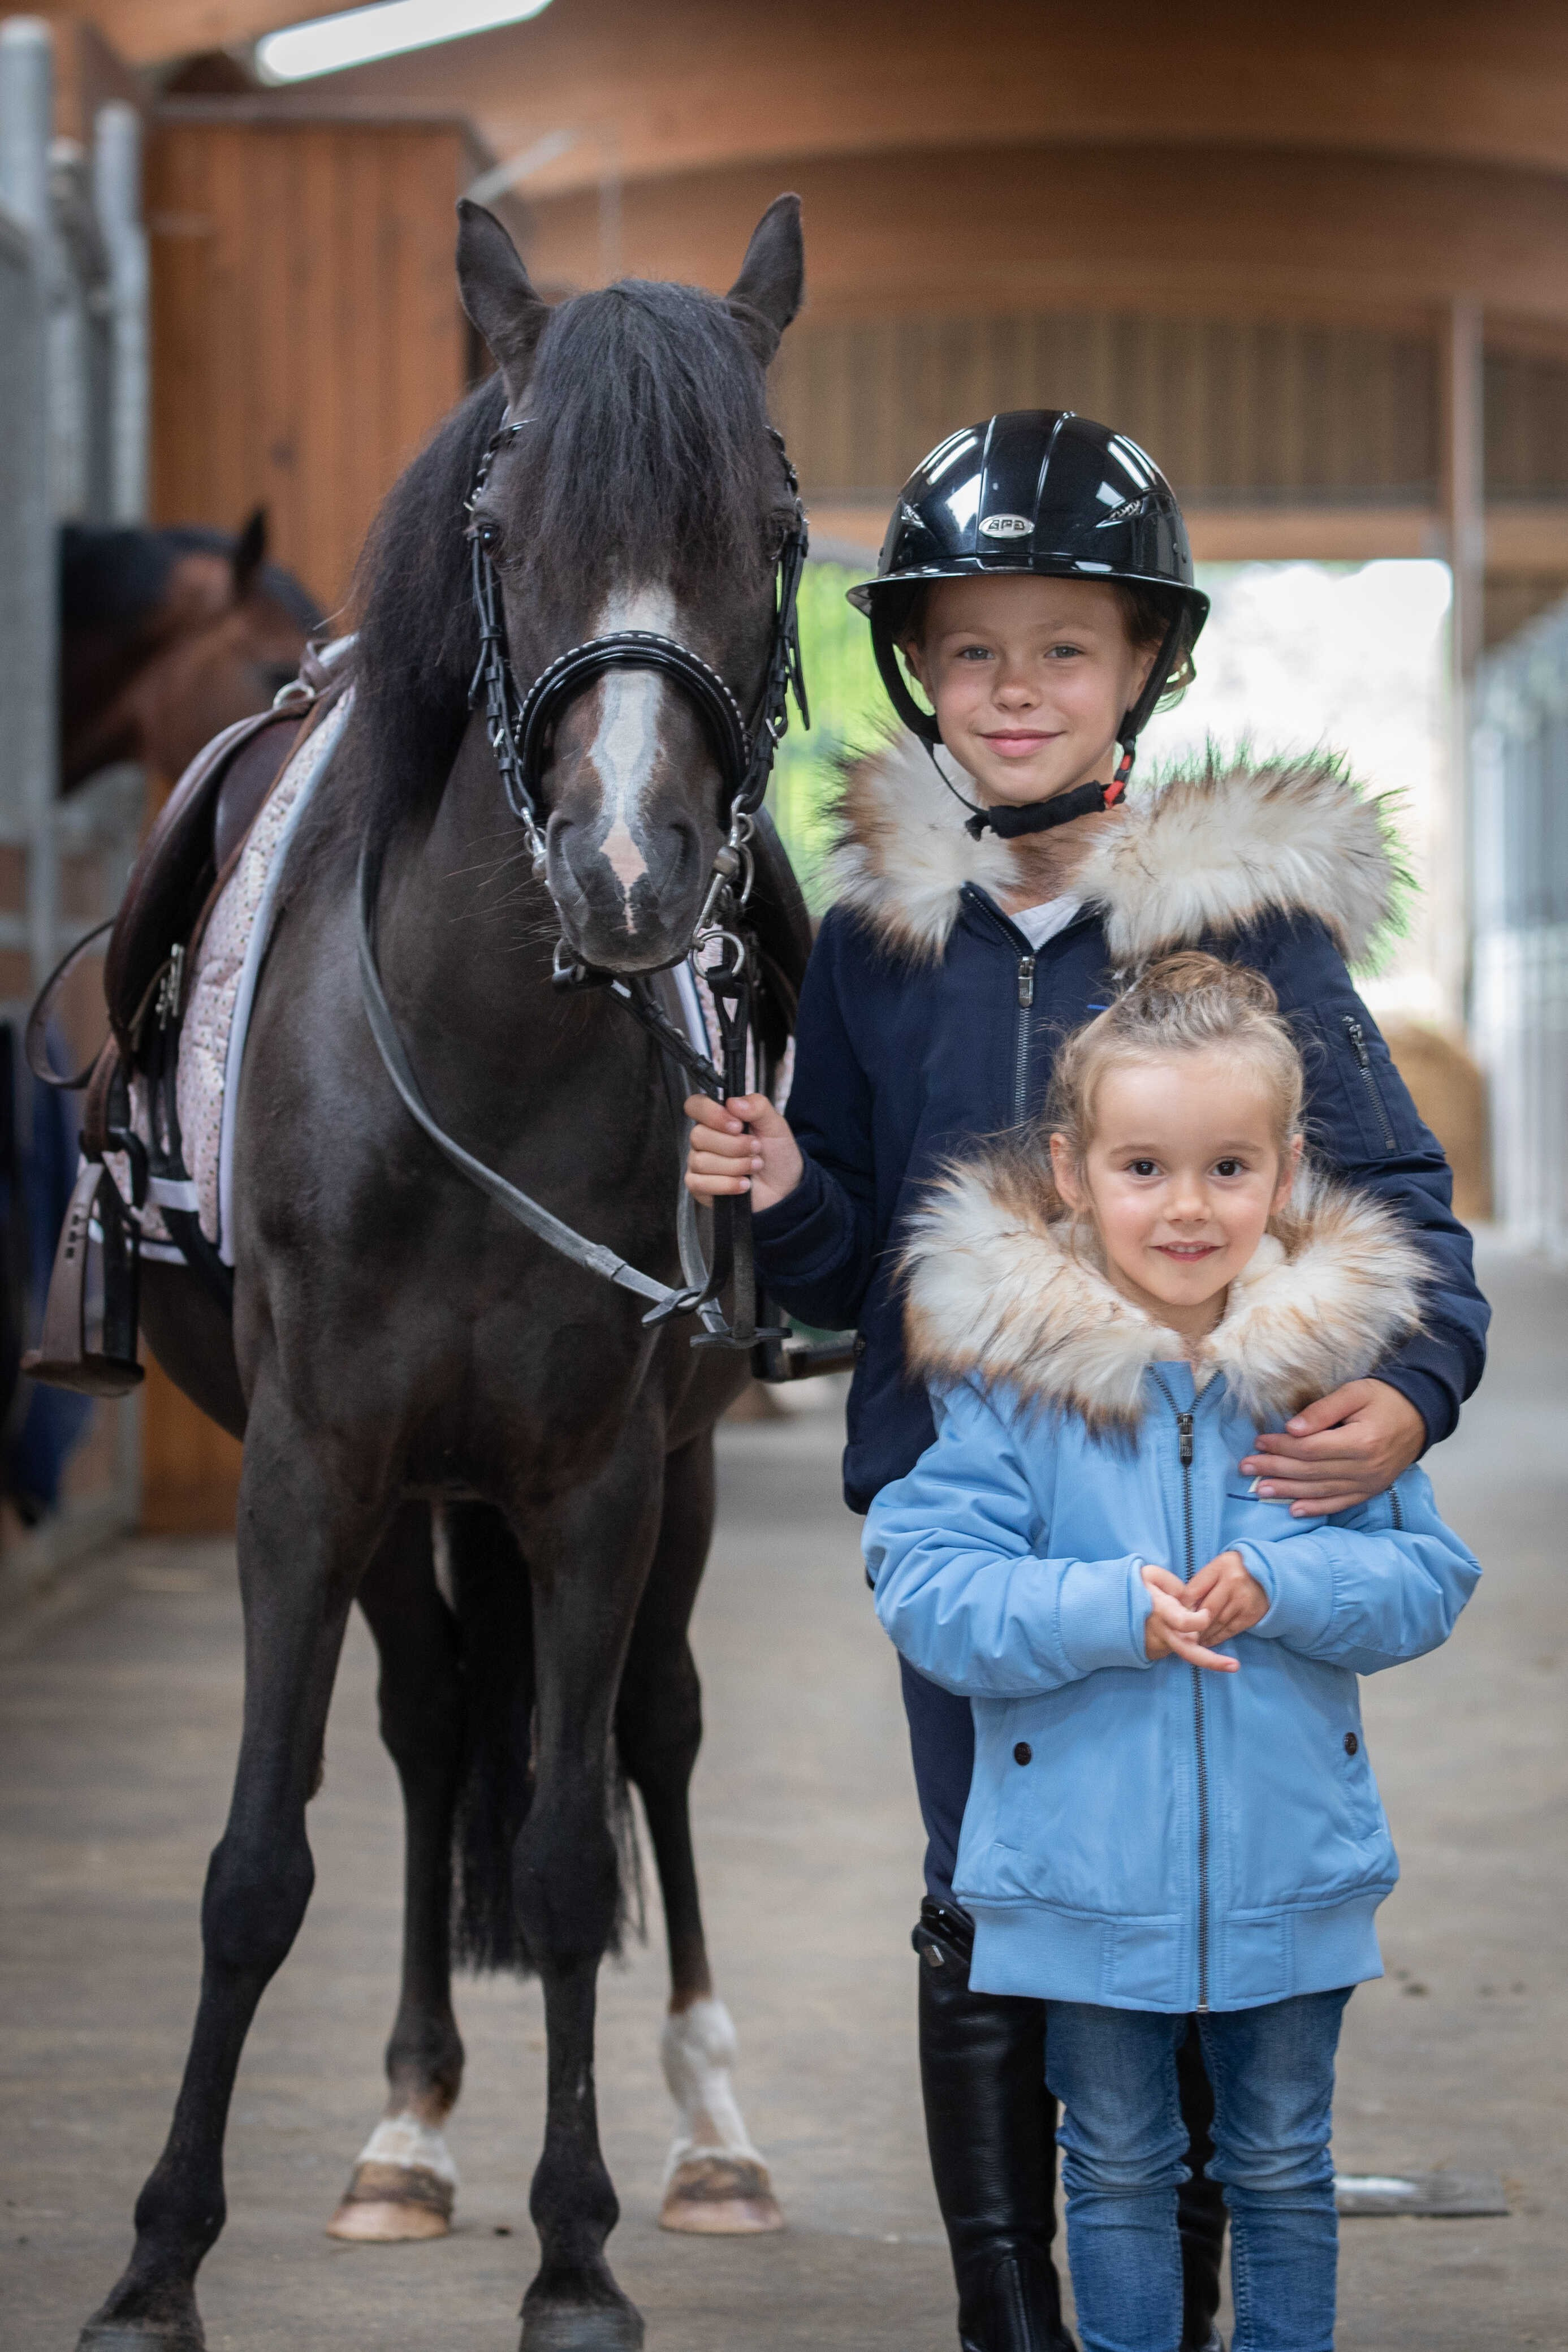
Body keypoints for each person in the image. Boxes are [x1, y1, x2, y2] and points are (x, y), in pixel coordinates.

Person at [683, 411, 1489, 2352]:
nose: (1013, 688)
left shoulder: (1255, 928)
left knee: (1193, 1898)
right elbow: (845, 1268)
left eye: (1061, 646)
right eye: (970, 649)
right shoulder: (882, 947)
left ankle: (1192, 2300)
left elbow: (1397, 1197)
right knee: (993, 1885)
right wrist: (793, 1196)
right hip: (986, 1509)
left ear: (1142, 665)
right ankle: (1009, 2315)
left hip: (1217, 1496)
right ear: (916, 673)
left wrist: (1418, 1387)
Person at [862, 953, 1480, 2352]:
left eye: (1225, 1167)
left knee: (1279, 2167)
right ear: (1074, 1174)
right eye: (1144, 1165)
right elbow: (926, 1585)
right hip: (1081, 1884)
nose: (1187, 1206)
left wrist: (1281, 1580)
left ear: (1286, 1169)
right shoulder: (1012, 1381)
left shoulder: (1328, 1374)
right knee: (1121, 2169)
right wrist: (1104, 1608)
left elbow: (1426, 1578)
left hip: (1290, 1871)